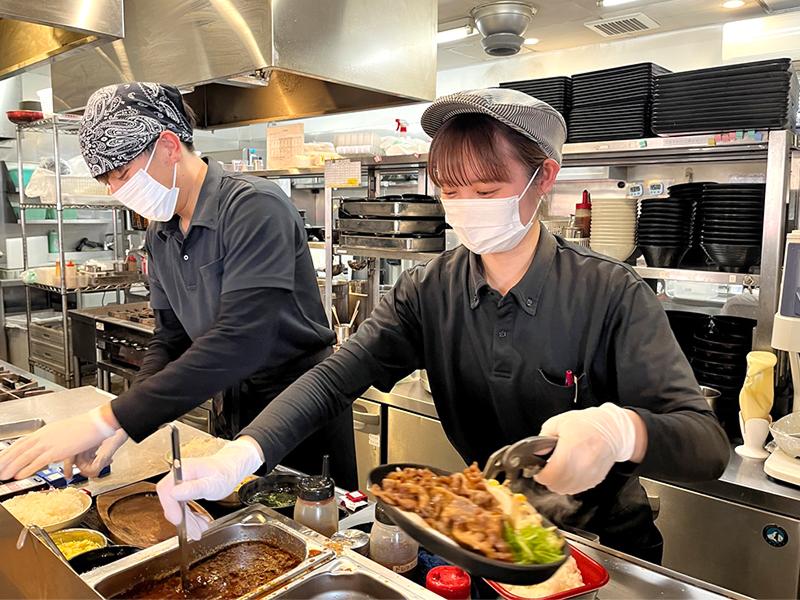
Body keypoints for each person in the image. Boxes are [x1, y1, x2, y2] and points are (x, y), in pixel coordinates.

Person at [157, 88, 730, 562]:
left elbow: (706, 445)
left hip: (601, 551)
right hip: (489, 538)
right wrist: (242, 456)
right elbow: (334, 379)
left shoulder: (610, 292)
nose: (466, 207)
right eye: (452, 192)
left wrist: (620, 432)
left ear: (544, 177)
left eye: (487, 191)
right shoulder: (429, 289)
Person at [0, 82, 356, 490]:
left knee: (309, 522)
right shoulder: (161, 233)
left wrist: (107, 418)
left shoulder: (254, 207)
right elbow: (170, 338)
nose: (117, 192)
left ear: (168, 146)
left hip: (300, 408)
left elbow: (242, 340)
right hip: (232, 405)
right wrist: (125, 424)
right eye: (107, 183)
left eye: (122, 174)